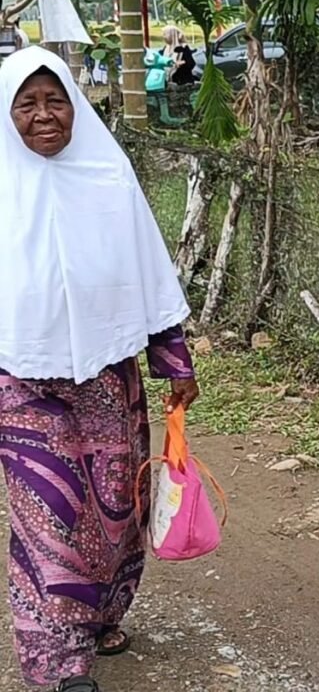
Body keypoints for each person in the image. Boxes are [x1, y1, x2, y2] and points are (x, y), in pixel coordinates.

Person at [0, 46, 199, 692]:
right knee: (48, 513)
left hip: (109, 382)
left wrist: (174, 362)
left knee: (117, 507)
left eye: (54, 100)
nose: (44, 116)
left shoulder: (108, 177)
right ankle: (57, 659)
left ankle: (102, 613)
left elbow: (147, 272)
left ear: (76, 107)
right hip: (23, 386)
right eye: (25, 104)